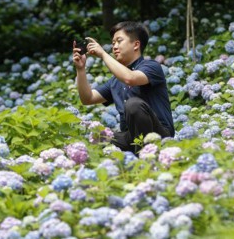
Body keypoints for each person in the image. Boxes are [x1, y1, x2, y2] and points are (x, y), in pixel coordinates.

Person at [72, 21, 175, 153]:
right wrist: (80, 69)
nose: (114, 46)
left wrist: (103, 54)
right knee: (98, 138)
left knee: (133, 105)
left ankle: (146, 161)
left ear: (136, 44)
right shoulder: (115, 81)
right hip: (130, 137)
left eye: (119, 41)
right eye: (113, 43)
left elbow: (130, 78)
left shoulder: (151, 66)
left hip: (158, 135)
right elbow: (88, 98)